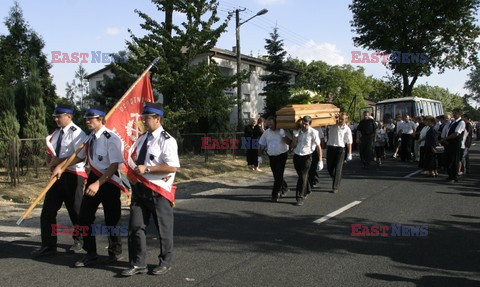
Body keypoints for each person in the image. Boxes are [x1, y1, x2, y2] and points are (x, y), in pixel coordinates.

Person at [52, 107, 125, 267]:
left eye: (90, 119)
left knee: (112, 219)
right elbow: (79, 156)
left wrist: (98, 183)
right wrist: (62, 167)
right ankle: (90, 253)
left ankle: (114, 252)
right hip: (93, 178)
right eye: (86, 119)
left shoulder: (111, 138)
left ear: (101, 120)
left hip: (108, 181)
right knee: (84, 217)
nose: (87, 122)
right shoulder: (90, 138)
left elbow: (114, 165)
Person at [122, 102, 180, 276]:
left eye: (146, 118)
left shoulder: (167, 140)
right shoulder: (141, 138)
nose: (144, 121)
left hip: (158, 191)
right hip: (140, 189)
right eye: (143, 118)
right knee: (135, 227)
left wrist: (147, 169)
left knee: (164, 229)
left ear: (157, 119)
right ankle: (138, 263)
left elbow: (173, 167)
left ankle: (165, 262)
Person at [31, 104, 87, 258]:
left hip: (73, 175)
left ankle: (80, 239)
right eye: (55, 116)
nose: (56, 119)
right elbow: (51, 153)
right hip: (57, 176)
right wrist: (51, 163)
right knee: (47, 211)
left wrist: (60, 164)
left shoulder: (78, 133)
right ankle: (48, 245)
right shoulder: (55, 134)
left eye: (59, 116)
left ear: (69, 116)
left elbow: (80, 155)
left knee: (76, 211)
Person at [258, 116, 291, 202]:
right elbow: (261, 144)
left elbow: (289, 142)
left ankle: (275, 194)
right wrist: (259, 156)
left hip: (282, 155)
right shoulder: (266, 132)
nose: (270, 126)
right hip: (272, 156)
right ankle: (285, 187)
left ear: (276, 123)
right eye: (268, 124)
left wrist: (283, 135)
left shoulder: (281, 131)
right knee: (276, 175)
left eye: (271, 124)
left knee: (279, 175)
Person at [291, 116, 322, 206]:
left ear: (310, 124)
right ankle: (308, 189)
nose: (304, 125)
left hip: (307, 156)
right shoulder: (297, 131)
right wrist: (295, 136)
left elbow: (318, 146)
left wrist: (320, 159)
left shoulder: (313, 132)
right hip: (297, 155)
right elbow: (293, 145)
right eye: (303, 123)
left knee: (303, 176)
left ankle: (300, 197)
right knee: (301, 175)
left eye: (306, 124)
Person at [326, 113, 353, 193]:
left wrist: (350, 153)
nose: (340, 120)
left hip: (340, 149)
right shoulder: (333, 125)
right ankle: (336, 178)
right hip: (331, 148)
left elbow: (349, 142)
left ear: (346, 120)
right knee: (329, 166)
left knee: (338, 167)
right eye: (340, 119)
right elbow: (328, 119)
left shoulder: (347, 129)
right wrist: (335, 116)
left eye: (342, 119)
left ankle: (335, 187)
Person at [441, 108, 465, 183]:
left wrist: (446, 138)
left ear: (459, 114)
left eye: (455, 113)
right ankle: (450, 175)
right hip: (449, 143)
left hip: (455, 144)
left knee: (454, 160)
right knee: (448, 159)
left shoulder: (461, 122)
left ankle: (454, 177)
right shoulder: (452, 122)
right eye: (453, 113)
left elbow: (456, 133)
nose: (454, 115)